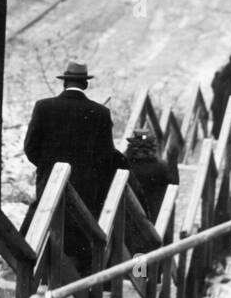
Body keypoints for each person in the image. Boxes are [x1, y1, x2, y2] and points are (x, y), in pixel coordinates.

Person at [24, 60, 161, 271]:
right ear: (85, 84)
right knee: (83, 237)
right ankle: (84, 285)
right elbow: (106, 155)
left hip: (49, 184)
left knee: (45, 229)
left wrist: (47, 167)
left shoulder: (43, 107)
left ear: (64, 82)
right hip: (86, 190)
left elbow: (31, 147)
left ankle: (40, 276)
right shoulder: (100, 113)